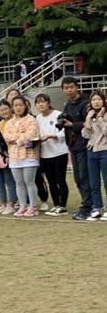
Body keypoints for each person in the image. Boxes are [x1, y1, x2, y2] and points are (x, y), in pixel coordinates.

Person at [60, 77, 93, 220]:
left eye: (71, 87)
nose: (69, 90)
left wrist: (72, 125)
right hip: (73, 145)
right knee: (78, 178)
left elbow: (89, 123)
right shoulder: (68, 103)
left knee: (84, 178)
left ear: (77, 87)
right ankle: (88, 204)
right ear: (62, 89)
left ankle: (88, 207)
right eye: (66, 88)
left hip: (85, 145)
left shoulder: (86, 102)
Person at [3, 96, 41, 218]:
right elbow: (7, 136)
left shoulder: (31, 120)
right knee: (19, 183)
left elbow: (31, 134)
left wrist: (17, 139)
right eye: (15, 105)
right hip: (14, 155)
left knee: (29, 181)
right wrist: (20, 138)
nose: (18, 107)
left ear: (25, 106)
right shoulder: (9, 122)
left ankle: (32, 206)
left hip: (29, 154)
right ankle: (23, 206)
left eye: (20, 105)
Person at [35, 94, 69, 216]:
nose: (41, 104)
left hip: (59, 152)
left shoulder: (57, 114)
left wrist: (52, 136)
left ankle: (63, 206)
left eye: (43, 102)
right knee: (51, 181)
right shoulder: (37, 118)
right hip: (45, 154)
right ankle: (56, 205)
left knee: (60, 179)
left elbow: (64, 131)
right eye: (38, 102)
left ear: (48, 103)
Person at [82, 90, 107, 221]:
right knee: (94, 183)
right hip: (92, 151)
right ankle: (97, 207)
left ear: (103, 101)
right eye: (93, 100)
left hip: (105, 150)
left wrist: (101, 118)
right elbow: (86, 135)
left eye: (99, 99)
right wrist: (88, 119)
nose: (96, 102)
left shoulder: (105, 115)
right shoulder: (90, 115)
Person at [0, 101, 20, 214]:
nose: (4, 111)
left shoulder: (17, 120)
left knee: (15, 180)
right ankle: (6, 203)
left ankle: (15, 203)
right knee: (6, 180)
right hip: (6, 155)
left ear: (11, 109)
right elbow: (0, 140)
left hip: (19, 152)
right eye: (1, 110)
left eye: (6, 109)